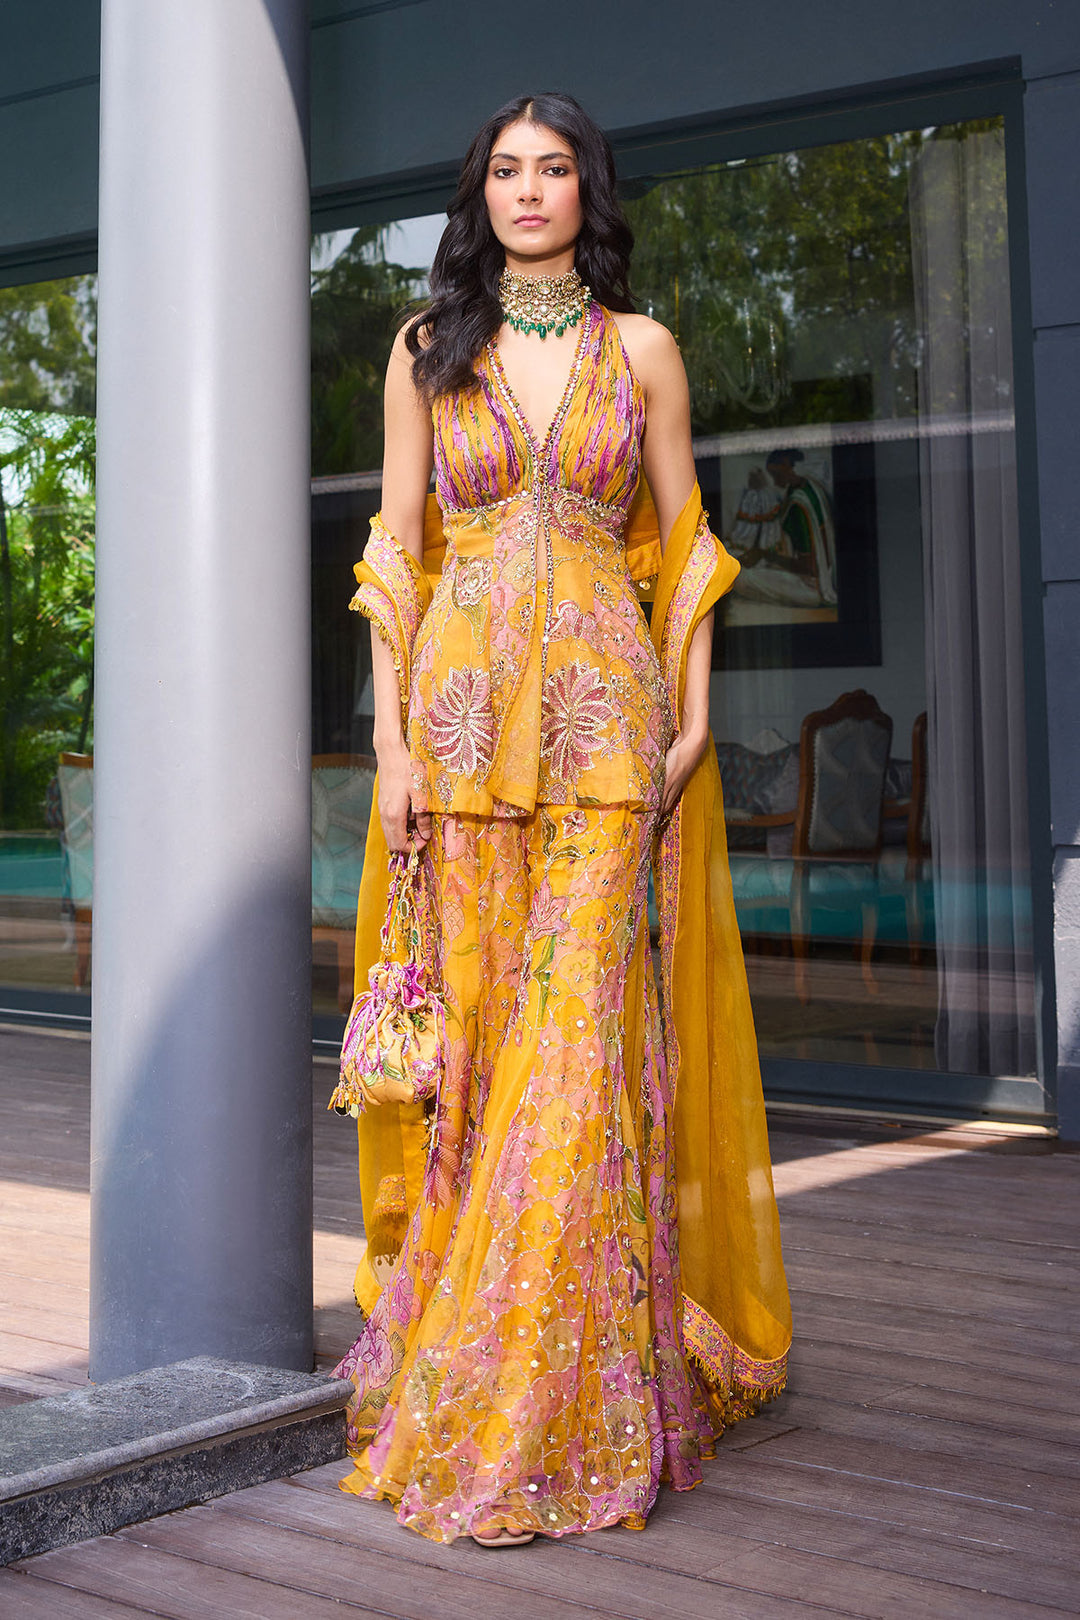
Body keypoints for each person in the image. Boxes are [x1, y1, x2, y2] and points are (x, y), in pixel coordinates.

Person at [333, 91, 791, 1548]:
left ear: (591, 191)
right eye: (506, 172)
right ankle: (478, 1346)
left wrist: (697, 711)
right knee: (483, 1048)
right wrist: (392, 741)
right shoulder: (426, 351)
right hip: (461, 743)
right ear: (481, 195)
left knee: (583, 1047)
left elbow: (688, 545)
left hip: (610, 740)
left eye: (555, 169)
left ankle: (556, 1390)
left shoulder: (642, 349)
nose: (531, 191)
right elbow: (395, 555)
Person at [727, 450, 837, 609]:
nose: (775, 481)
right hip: (815, 575)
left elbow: (807, 567)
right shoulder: (807, 486)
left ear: (786, 466)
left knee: (740, 578)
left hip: (811, 587)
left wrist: (765, 555)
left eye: (776, 474)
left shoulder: (797, 506)